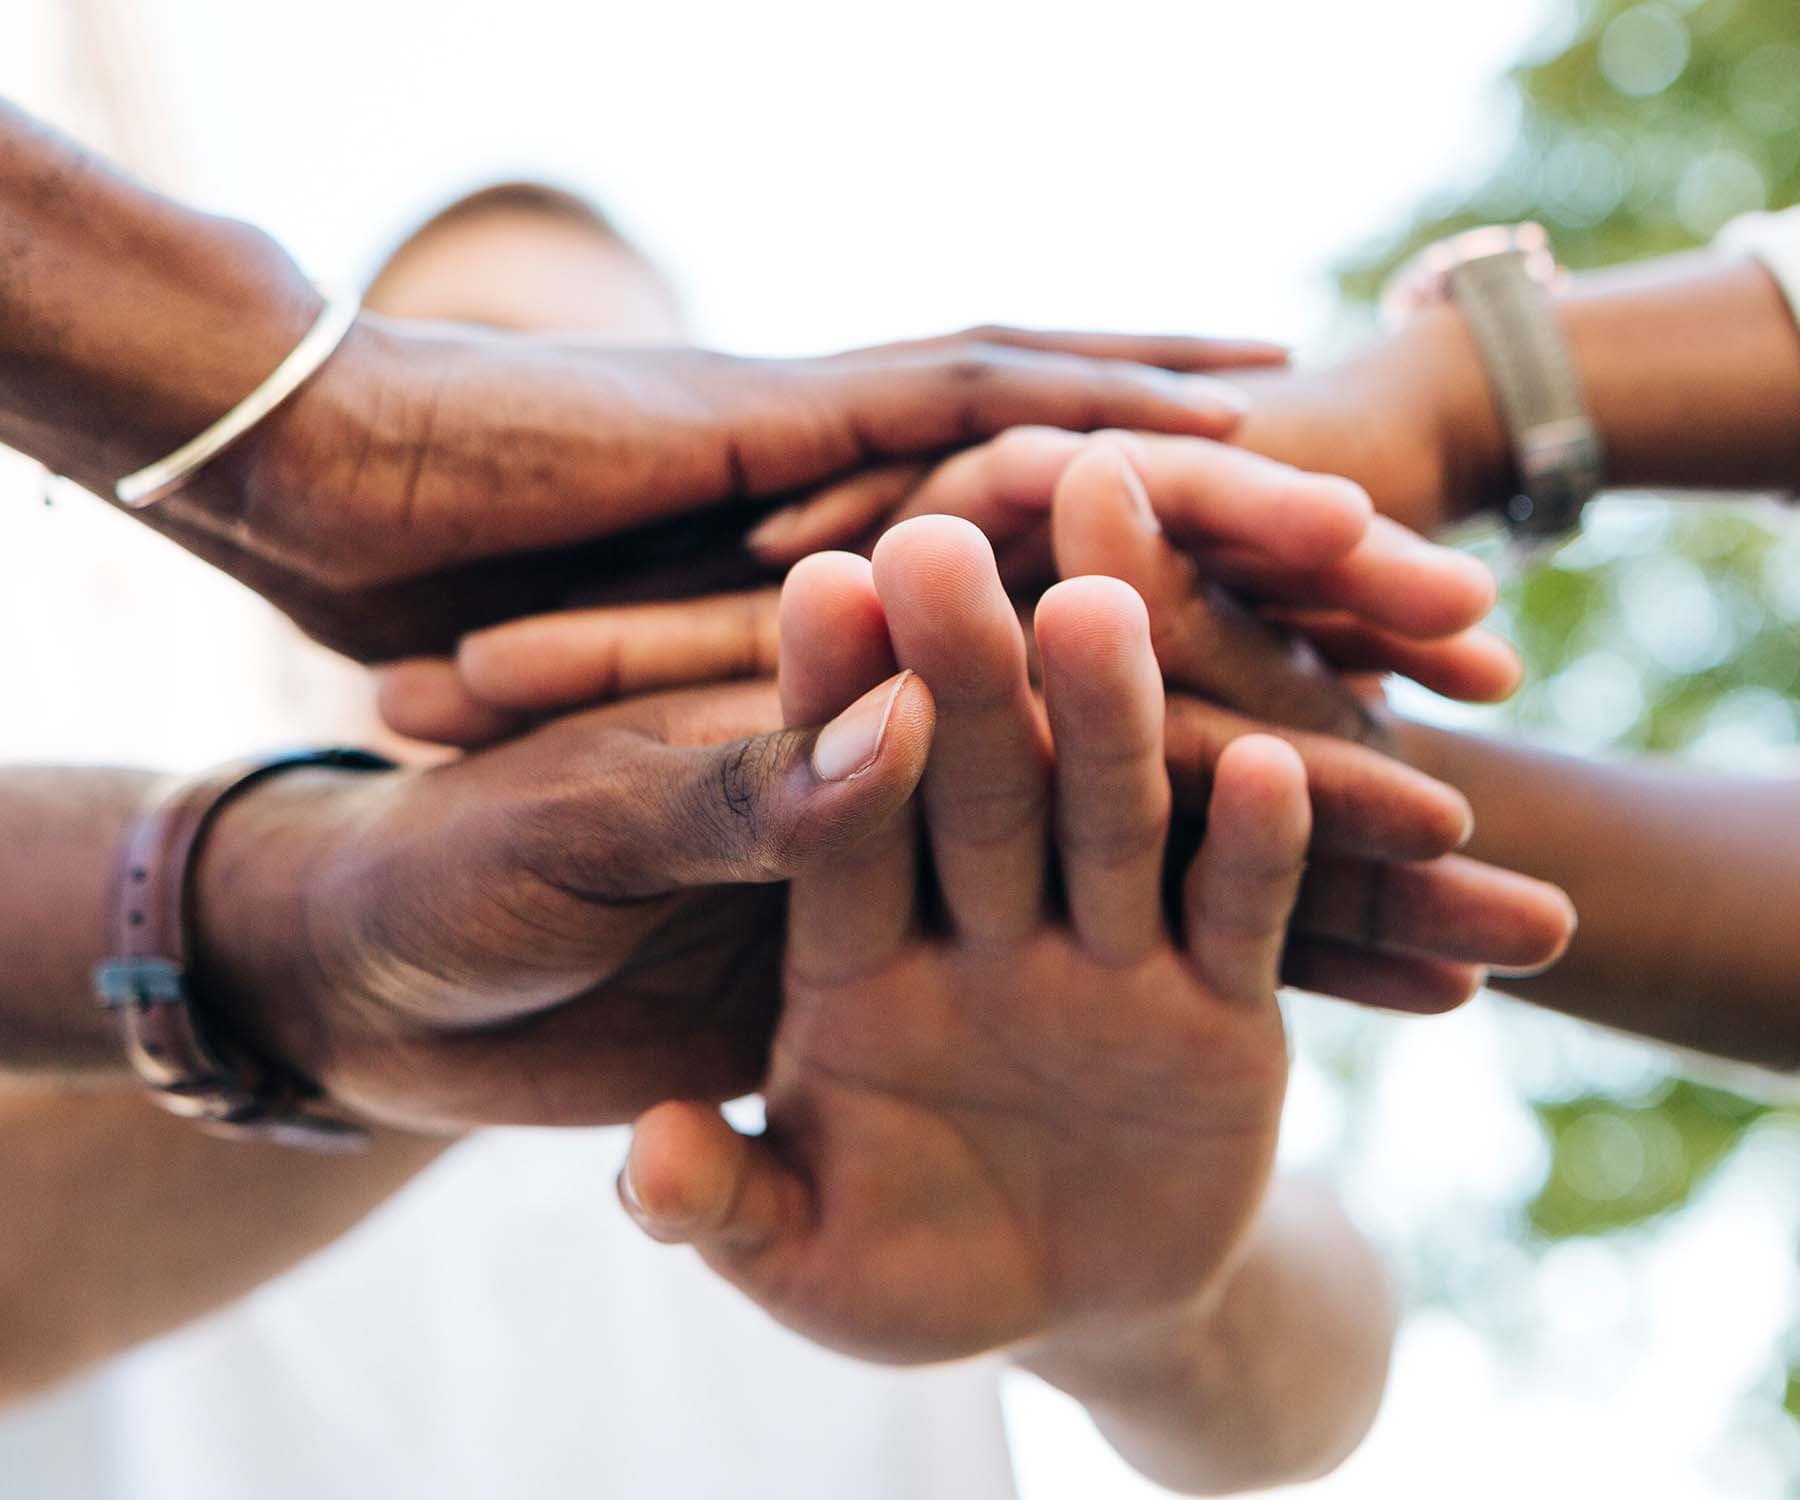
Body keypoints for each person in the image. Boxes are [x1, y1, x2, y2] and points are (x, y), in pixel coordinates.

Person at [0, 167, 1574, 1497]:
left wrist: (1140, 1317)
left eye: (628, 403)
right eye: (483, 382)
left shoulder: (901, 907)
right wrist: (416, 943)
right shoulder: (87, 916)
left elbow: (1310, 1380)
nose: (568, 497)